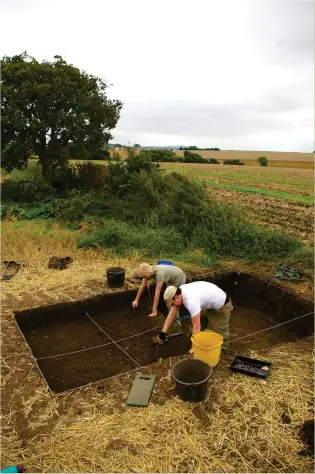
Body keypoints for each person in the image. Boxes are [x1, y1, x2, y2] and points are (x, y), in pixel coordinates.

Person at [156, 281, 233, 352]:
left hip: (221, 305)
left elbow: (196, 326)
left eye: (172, 303)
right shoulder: (180, 291)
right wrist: (163, 333)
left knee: (220, 329)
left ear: (176, 297)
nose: (173, 306)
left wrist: (194, 348)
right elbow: (172, 314)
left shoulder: (191, 301)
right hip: (209, 302)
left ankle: (223, 352)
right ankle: (201, 340)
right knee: (201, 322)